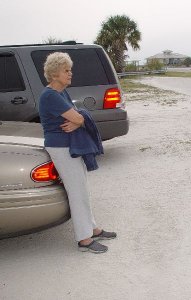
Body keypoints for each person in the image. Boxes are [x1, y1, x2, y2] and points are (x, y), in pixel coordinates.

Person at [39, 52, 116, 254]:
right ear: (54, 74)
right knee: (77, 191)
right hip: (61, 147)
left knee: (81, 188)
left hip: (68, 145)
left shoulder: (60, 92)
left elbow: (78, 117)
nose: (70, 73)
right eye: (66, 70)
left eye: (70, 69)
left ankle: (92, 228)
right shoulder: (50, 96)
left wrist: (77, 121)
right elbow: (80, 118)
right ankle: (84, 239)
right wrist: (78, 121)